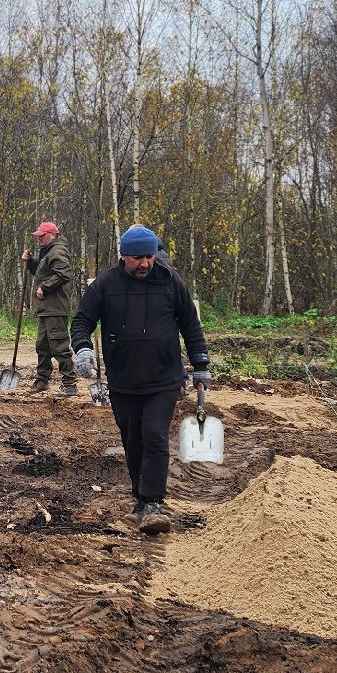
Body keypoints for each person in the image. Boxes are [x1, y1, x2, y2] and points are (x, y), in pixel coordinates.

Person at [71, 224, 210, 534]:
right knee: (132, 439)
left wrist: (200, 363)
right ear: (124, 256)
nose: (145, 264)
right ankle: (141, 501)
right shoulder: (106, 284)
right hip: (123, 379)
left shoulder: (170, 281)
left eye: (149, 257)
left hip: (164, 377)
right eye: (137, 259)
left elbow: (190, 324)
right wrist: (82, 349)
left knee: (154, 435)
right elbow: (82, 320)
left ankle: (153, 502)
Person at [20, 220, 77, 394]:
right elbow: (43, 272)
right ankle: (42, 380)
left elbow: (63, 273)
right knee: (43, 346)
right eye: (38, 237)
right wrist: (31, 263)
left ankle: (70, 384)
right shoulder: (49, 251)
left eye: (42, 236)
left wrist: (44, 288)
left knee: (59, 345)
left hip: (56, 307)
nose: (40, 240)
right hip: (47, 308)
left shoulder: (58, 250)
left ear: (53, 235)